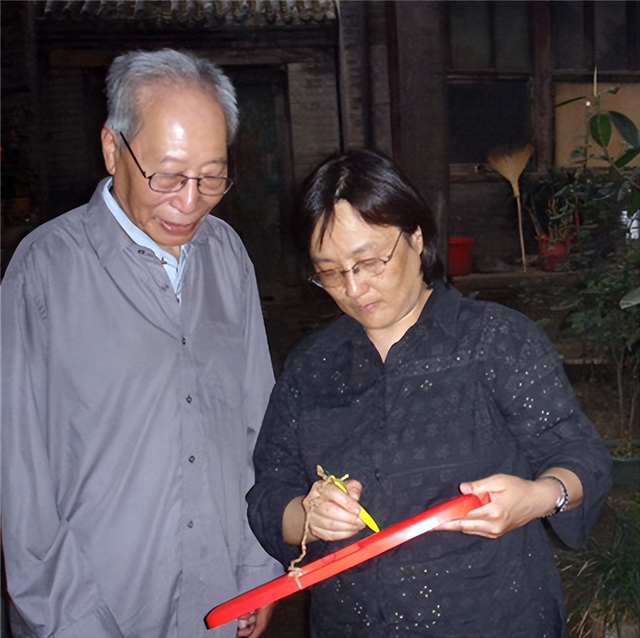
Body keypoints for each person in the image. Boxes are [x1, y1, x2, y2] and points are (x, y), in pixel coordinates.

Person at [246, 149, 612, 637]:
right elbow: (269, 493)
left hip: (493, 619)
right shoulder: (311, 365)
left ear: (416, 238)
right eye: (330, 271)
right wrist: (306, 516)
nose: (354, 288)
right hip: (350, 624)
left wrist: (540, 496)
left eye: (369, 262)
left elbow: (583, 456)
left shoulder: (496, 341)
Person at [1, 49, 282, 638]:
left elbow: (258, 424)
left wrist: (258, 566)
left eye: (212, 176)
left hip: (219, 600)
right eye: (168, 176)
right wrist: (73, 623)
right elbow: (19, 480)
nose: (190, 201)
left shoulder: (227, 256)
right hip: (93, 611)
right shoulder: (44, 271)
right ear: (113, 149)